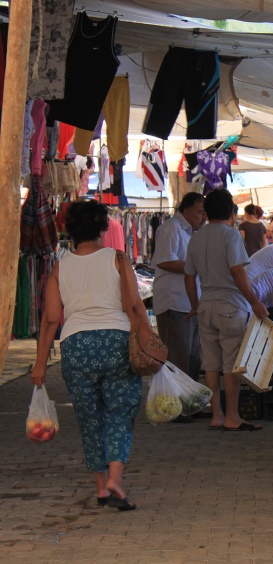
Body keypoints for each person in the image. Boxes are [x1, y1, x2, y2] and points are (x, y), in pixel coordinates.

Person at [32, 199, 143, 511]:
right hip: (116, 341)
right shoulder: (117, 258)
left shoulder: (60, 266)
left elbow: (51, 318)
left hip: (76, 346)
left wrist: (40, 362)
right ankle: (116, 480)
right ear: (103, 228)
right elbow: (133, 304)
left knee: (89, 417)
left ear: (69, 231)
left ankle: (100, 487)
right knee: (120, 412)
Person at [184, 190, 268, 432]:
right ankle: (232, 416)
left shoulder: (196, 237)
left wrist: (193, 304)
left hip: (205, 305)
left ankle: (217, 415)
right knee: (231, 364)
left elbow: (189, 276)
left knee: (211, 364)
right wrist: (254, 301)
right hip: (230, 306)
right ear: (232, 212)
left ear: (207, 212)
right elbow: (238, 271)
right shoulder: (231, 236)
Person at [151, 192, 206, 392]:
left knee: (192, 357)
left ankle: (191, 401)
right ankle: (178, 404)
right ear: (187, 210)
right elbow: (165, 261)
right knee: (178, 357)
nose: (203, 217)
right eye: (200, 212)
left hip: (189, 302)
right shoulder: (171, 228)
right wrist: (196, 266)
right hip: (174, 302)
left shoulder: (192, 232)